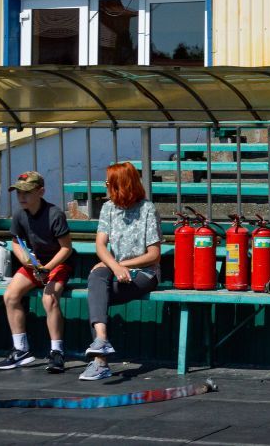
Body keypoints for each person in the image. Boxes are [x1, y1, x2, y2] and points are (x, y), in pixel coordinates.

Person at [81, 163, 163, 382]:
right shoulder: (108, 208)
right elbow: (100, 246)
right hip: (117, 270)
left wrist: (121, 264)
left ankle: (100, 362)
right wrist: (114, 266)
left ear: (122, 185)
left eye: (109, 182)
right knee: (96, 278)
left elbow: (154, 255)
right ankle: (101, 340)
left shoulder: (147, 209)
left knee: (97, 293)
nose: (105, 186)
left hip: (144, 274)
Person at [0, 172, 73, 374]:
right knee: (10, 296)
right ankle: (21, 349)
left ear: (41, 192)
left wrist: (47, 268)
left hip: (57, 264)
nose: (22, 197)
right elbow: (16, 242)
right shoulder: (20, 214)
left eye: (27, 192)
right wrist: (25, 260)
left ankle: (57, 352)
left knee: (49, 299)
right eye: (19, 192)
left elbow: (66, 248)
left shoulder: (55, 214)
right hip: (34, 264)